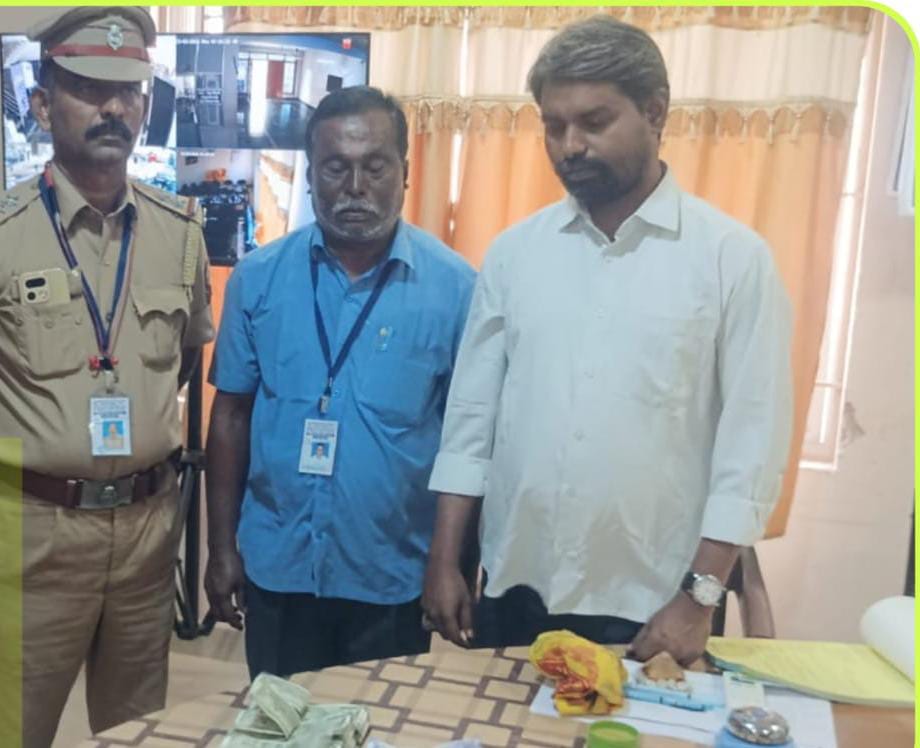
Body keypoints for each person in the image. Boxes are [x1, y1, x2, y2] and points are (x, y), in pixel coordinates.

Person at [422, 16, 793, 666]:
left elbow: (751, 448)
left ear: (655, 112)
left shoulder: (731, 260)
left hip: (655, 602)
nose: (570, 146)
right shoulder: (515, 254)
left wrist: (699, 599)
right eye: (554, 125)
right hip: (518, 585)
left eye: (594, 122)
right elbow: (471, 420)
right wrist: (445, 560)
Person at [205, 86, 476, 678]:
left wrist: (452, 563)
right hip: (278, 567)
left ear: (405, 172)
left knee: (377, 723)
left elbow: (469, 441)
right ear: (309, 177)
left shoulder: (457, 290)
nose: (355, 186)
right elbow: (230, 416)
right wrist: (220, 548)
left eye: (375, 167)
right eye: (335, 167)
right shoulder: (257, 279)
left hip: (392, 575)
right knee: (279, 720)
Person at [0, 8, 214, 747]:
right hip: (33, 535)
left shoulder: (179, 233)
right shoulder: (6, 235)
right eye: (89, 89)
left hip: (148, 536)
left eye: (128, 92)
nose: (113, 108)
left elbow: (185, 359)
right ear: (41, 103)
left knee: (138, 729)